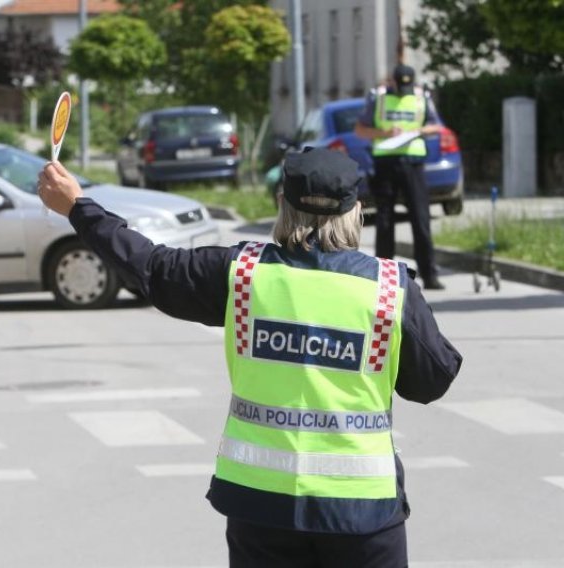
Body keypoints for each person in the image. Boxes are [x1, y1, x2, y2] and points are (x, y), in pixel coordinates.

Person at [37, 148, 462, 568]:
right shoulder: (390, 289)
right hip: (362, 512)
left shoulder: (242, 274)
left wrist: (78, 207)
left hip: (261, 507)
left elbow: (151, 268)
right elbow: (432, 381)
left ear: (282, 204)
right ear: (357, 211)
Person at [355, 64, 446, 290]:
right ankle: (384, 276)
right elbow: (360, 130)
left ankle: (429, 274)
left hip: (413, 164)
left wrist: (421, 131)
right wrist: (385, 133)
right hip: (385, 163)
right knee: (385, 220)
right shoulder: (379, 98)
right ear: (393, 82)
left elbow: (437, 127)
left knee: (420, 218)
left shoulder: (421, 97)